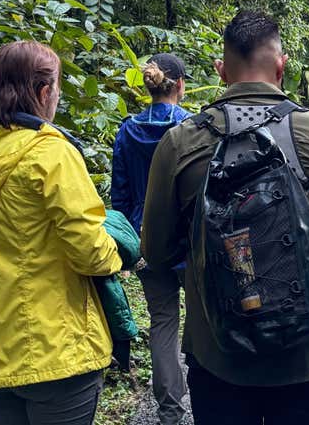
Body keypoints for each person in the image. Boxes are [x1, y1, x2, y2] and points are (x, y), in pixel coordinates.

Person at [140, 11, 309, 425]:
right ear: (282, 66)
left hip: (218, 352)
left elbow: (154, 252)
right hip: (307, 351)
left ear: (221, 71)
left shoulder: (178, 143)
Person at [0, 40, 122, 425]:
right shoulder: (52, 153)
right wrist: (119, 252)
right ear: (43, 91)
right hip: (55, 349)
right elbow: (90, 251)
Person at [111, 53, 191, 425]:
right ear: (180, 85)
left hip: (146, 241)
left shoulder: (127, 131)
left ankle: (170, 412)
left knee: (162, 322)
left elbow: (121, 198)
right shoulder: (193, 127)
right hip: (190, 241)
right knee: (204, 319)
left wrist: (132, 247)